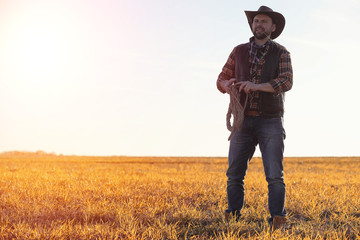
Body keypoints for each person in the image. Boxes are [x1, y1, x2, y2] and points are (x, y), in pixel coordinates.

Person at [216, 6, 293, 229]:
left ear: (273, 27)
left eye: (264, 21)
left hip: (271, 120)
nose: (259, 24)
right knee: (234, 175)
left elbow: (286, 82)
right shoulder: (238, 51)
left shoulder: (281, 53)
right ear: (252, 25)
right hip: (243, 121)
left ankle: (278, 220)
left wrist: (256, 86)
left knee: (274, 176)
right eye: (256, 21)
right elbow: (221, 78)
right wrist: (226, 84)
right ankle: (232, 217)